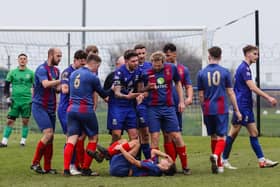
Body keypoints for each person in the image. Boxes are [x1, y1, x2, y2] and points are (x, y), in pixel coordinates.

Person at [222, 45, 278, 169]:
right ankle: (223, 159)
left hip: (245, 104)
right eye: (254, 54)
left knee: (252, 132)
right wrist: (268, 97)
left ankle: (261, 160)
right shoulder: (244, 68)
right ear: (247, 54)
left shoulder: (245, 68)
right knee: (234, 132)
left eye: (257, 54)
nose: (256, 57)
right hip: (242, 105)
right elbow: (252, 87)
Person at [141, 51, 191, 175]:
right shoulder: (146, 72)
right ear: (151, 62)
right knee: (155, 137)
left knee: (176, 136)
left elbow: (178, 84)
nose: (156, 67)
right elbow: (141, 89)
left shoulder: (171, 68)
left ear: (163, 62)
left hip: (169, 107)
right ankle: (156, 167)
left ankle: (185, 166)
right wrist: (147, 89)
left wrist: (181, 101)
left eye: (159, 66)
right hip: (153, 108)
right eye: (154, 65)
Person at [63, 54, 111, 176]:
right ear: (93, 63)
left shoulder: (74, 73)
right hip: (85, 110)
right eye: (97, 66)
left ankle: (66, 169)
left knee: (71, 139)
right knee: (93, 138)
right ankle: (85, 169)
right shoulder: (92, 77)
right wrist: (113, 89)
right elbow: (103, 93)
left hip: (71, 109)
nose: (97, 69)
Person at [197, 46, 242, 174]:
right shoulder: (225, 72)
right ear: (220, 57)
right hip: (221, 108)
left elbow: (200, 94)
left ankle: (219, 165)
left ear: (209, 56)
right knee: (221, 136)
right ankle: (217, 156)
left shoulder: (201, 73)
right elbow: (230, 92)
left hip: (207, 109)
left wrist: (203, 107)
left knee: (213, 136)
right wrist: (237, 110)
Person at [30, 48, 62, 174]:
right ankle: (35, 163)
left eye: (60, 56)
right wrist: (61, 80)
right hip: (39, 106)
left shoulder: (56, 70)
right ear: (50, 55)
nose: (60, 59)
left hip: (51, 107)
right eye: (58, 56)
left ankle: (48, 168)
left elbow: (56, 88)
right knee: (48, 134)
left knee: (51, 137)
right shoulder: (41, 69)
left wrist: (63, 87)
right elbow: (45, 84)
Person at [162, 43, 193, 166]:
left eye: (169, 55)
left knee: (176, 134)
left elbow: (188, 86)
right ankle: (171, 163)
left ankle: (181, 163)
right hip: (165, 105)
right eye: (166, 55)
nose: (167, 57)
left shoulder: (182, 69)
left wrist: (189, 97)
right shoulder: (161, 68)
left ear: (175, 54)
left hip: (177, 105)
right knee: (166, 134)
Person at [57, 49, 87, 175]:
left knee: (77, 137)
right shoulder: (67, 72)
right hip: (65, 109)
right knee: (71, 137)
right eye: (81, 64)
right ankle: (70, 166)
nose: (82, 66)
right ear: (75, 61)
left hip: (76, 109)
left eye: (84, 64)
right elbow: (64, 89)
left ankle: (75, 165)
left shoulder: (83, 72)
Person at [89, 139, 176, 177]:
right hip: (119, 166)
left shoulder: (155, 168)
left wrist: (122, 150)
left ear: (166, 167)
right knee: (123, 141)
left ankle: (105, 154)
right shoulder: (156, 163)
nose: (167, 159)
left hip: (120, 169)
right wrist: (166, 155)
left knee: (136, 143)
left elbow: (134, 162)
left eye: (168, 161)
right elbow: (153, 151)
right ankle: (105, 154)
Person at [107, 50, 142, 142]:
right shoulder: (119, 73)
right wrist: (127, 97)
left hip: (130, 107)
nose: (136, 63)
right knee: (116, 135)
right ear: (126, 62)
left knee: (134, 136)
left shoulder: (139, 71)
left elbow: (140, 89)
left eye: (137, 61)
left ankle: (128, 156)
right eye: (133, 61)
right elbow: (117, 93)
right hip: (117, 106)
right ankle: (111, 154)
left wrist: (140, 95)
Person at [0, 53, 34, 147]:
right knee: (10, 121)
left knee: (25, 121)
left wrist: (33, 98)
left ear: (26, 61)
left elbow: (36, 86)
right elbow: (6, 85)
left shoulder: (31, 73)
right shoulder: (12, 72)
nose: (22, 60)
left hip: (26, 101)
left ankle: (23, 142)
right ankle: (4, 142)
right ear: (18, 60)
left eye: (24, 59)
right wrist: (7, 97)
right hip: (14, 101)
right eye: (21, 59)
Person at [134, 44, 152, 159]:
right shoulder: (131, 67)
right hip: (134, 104)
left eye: (143, 53)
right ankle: (137, 160)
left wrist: (147, 93)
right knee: (136, 134)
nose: (141, 56)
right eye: (138, 53)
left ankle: (149, 160)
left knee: (146, 133)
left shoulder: (150, 66)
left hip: (148, 104)